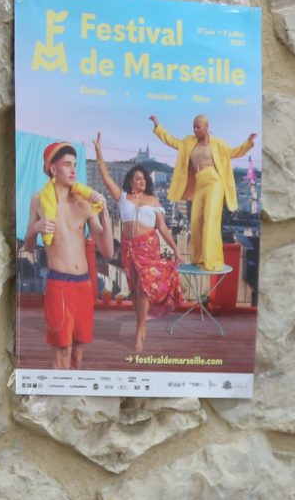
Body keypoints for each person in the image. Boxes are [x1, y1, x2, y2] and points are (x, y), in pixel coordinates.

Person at [22, 141, 111, 371]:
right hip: (59, 285)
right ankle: (57, 403)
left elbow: (108, 250)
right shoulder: (39, 200)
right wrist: (35, 228)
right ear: (53, 169)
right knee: (62, 353)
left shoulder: (83, 202)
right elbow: (28, 248)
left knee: (78, 356)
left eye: (75, 164)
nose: (73, 170)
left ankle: (72, 405)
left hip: (84, 285)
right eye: (67, 164)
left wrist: (105, 211)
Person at [92, 134, 180, 360]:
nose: (140, 181)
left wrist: (176, 248)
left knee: (142, 285)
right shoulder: (122, 198)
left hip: (149, 247)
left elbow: (163, 228)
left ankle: (140, 330)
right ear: (131, 180)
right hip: (129, 249)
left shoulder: (154, 202)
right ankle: (142, 323)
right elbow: (105, 175)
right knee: (137, 289)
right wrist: (99, 152)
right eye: (137, 178)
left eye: (143, 178)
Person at [150, 113, 254, 273]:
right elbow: (170, 140)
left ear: (206, 128)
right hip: (199, 183)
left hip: (214, 182)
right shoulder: (188, 142)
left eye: (198, 126)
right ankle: (199, 259)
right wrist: (157, 126)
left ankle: (213, 260)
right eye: (194, 126)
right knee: (196, 220)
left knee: (210, 219)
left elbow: (233, 152)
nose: (195, 129)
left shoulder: (217, 144)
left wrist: (248, 143)